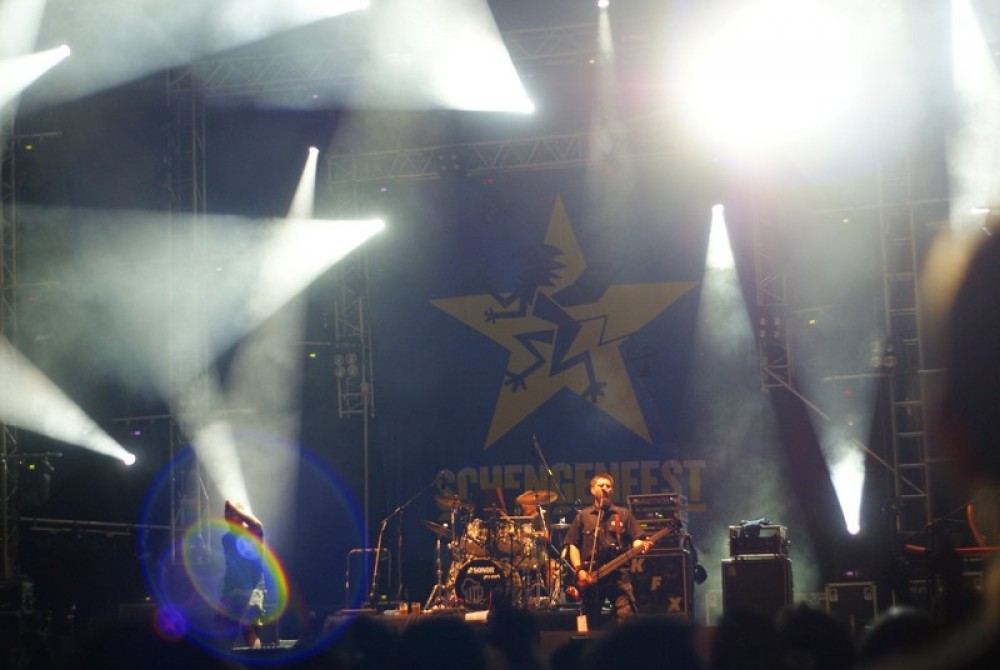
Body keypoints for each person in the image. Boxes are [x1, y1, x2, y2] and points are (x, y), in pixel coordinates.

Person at [562, 473, 651, 628]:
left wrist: (641, 546)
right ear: (592, 490)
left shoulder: (623, 514)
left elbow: (637, 538)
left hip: (618, 573)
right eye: (601, 485)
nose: (604, 488)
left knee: (627, 615)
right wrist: (579, 570)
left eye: (608, 486)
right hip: (591, 575)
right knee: (590, 619)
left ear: (612, 490)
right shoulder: (583, 516)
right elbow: (573, 545)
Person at [218, 499, 266, 649]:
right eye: (227, 511)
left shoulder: (252, 533)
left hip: (252, 589)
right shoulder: (226, 538)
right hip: (232, 591)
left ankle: (256, 661)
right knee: (224, 631)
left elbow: (257, 525)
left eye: (232, 511)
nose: (228, 513)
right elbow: (231, 568)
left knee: (249, 629)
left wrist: (235, 509)